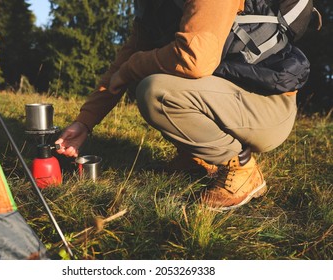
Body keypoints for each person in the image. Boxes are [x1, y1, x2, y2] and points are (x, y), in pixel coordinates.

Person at [55, 0, 305, 211]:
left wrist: (132, 67)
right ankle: (197, 156)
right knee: (141, 76)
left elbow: (195, 59)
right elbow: (126, 60)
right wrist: (85, 121)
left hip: (268, 107)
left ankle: (242, 168)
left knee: (156, 90)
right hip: (229, 98)